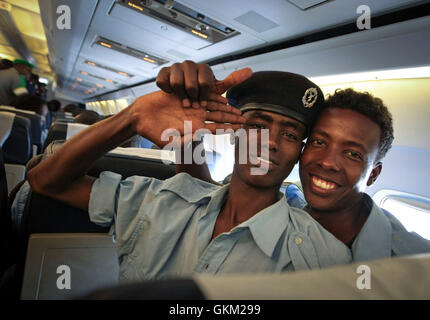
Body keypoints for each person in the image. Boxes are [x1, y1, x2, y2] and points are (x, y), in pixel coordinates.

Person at [28, 67, 361, 282]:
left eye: (290, 134)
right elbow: (45, 180)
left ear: (299, 151)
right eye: (257, 125)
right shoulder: (160, 200)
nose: (270, 143)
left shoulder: (322, 258)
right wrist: (133, 116)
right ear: (233, 131)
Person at [159, 61, 430, 260]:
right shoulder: (289, 202)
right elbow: (205, 195)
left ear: (373, 175)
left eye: (353, 154)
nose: (327, 162)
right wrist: (187, 128)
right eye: (319, 142)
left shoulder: (413, 260)